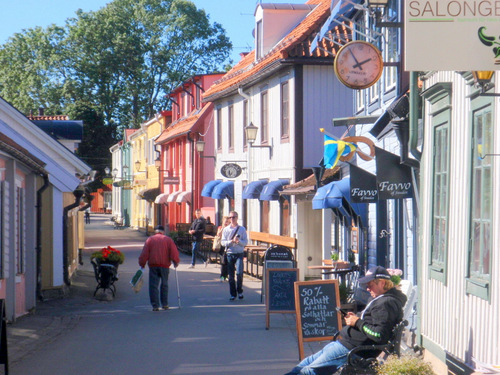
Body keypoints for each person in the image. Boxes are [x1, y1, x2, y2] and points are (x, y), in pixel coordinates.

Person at [285, 266, 407, 375]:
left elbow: (379, 335)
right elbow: (371, 322)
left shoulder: (386, 303)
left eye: (370, 285)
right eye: (366, 286)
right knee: (301, 366)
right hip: (344, 344)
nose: (367, 289)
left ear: (382, 283)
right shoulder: (380, 299)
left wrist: (357, 322)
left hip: (352, 350)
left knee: (307, 371)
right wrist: (356, 318)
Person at [138, 225, 180, 312]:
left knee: (153, 286)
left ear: (155, 231)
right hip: (165, 266)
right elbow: (174, 252)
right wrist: (176, 261)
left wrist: (142, 264)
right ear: (163, 231)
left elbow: (144, 253)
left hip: (153, 265)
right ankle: (165, 304)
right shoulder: (168, 240)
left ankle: (155, 305)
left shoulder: (150, 240)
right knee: (164, 284)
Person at [221, 211, 248, 301]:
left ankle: (239, 291)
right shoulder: (226, 229)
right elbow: (222, 242)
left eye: (234, 217)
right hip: (229, 254)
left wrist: (239, 242)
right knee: (231, 276)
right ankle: (233, 294)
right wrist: (231, 241)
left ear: (237, 218)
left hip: (239, 254)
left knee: (239, 273)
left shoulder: (242, 229)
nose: (232, 219)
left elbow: (245, 242)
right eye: (230, 217)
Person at [216, 216, 231, 282]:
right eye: (225, 221)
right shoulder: (220, 228)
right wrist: (223, 229)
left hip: (228, 246)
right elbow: (218, 234)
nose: (226, 223)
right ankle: (222, 277)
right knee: (223, 262)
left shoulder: (230, 228)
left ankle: (226, 276)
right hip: (222, 247)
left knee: (228, 262)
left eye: (227, 222)